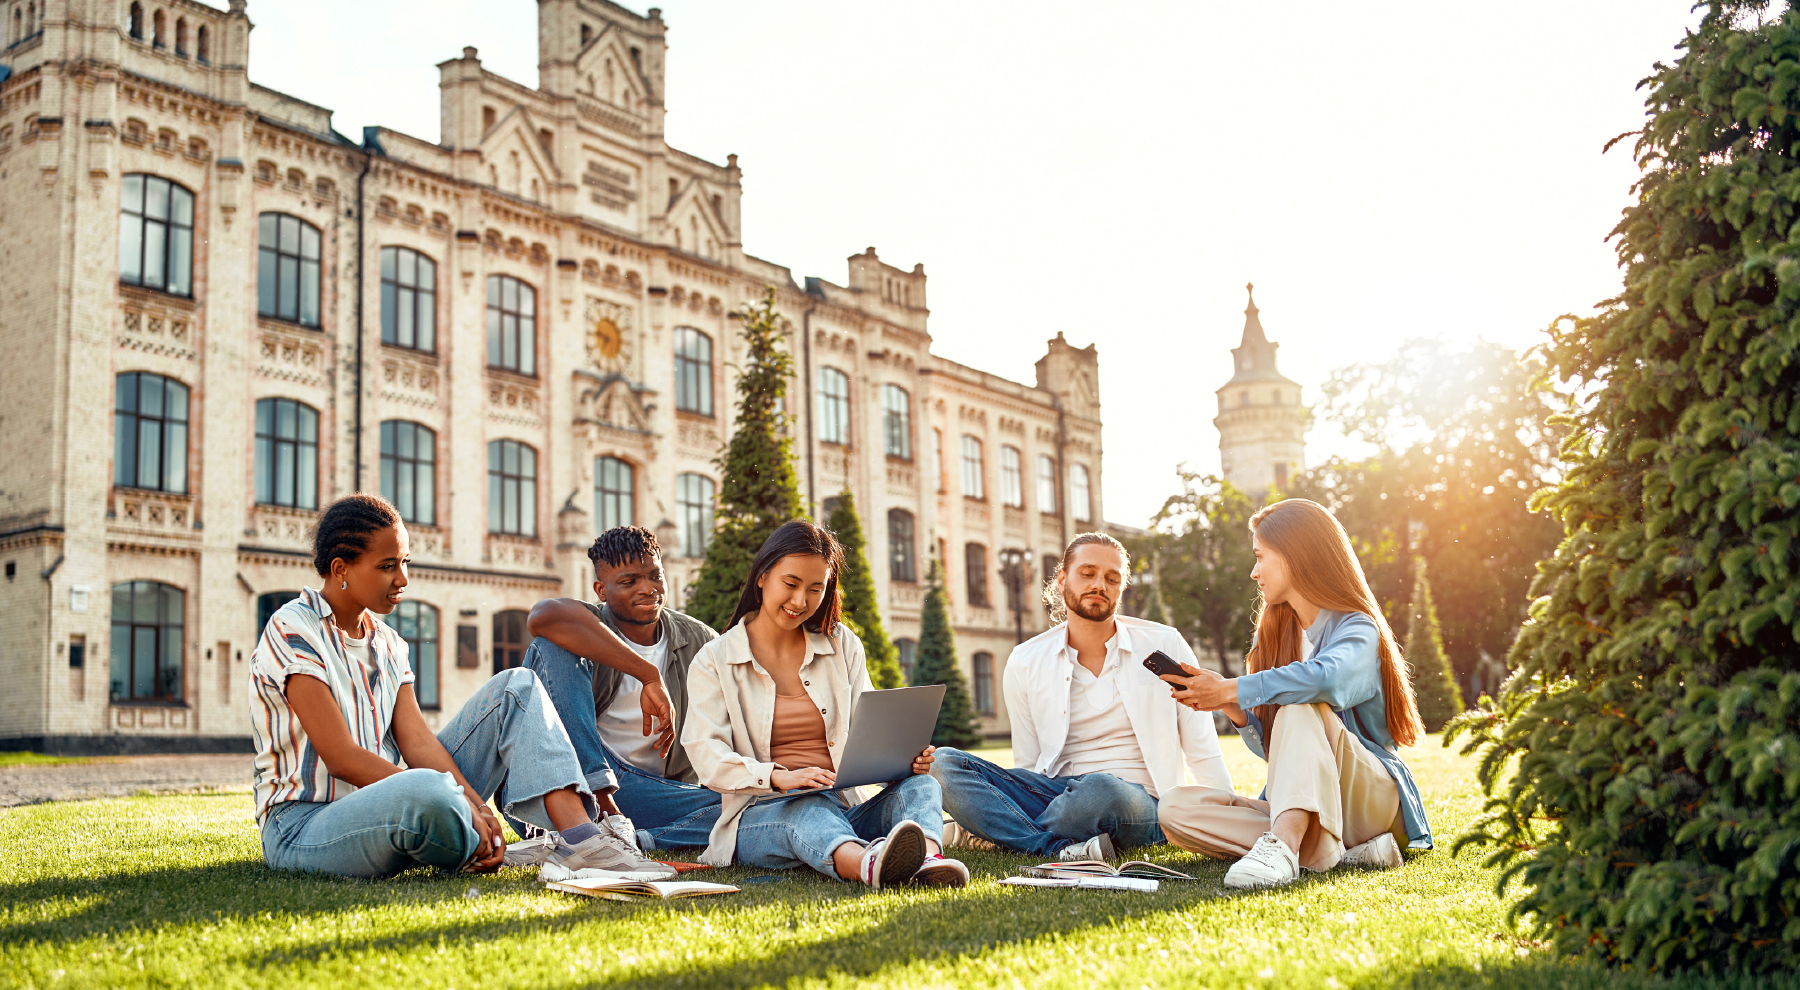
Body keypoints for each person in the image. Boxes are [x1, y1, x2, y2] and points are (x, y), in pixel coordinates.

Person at [250, 494, 669, 878]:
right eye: (387, 566)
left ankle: (582, 842)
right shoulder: (294, 628)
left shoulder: (388, 643)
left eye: (405, 562)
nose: (403, 579)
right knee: (425, 788)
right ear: (341, 568)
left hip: (397, 803)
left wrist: (477, 804)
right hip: (305, 825)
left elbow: (418, 742)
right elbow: (341, 758)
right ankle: (472, 838)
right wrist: (459, 801)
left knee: (517, 687)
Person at [1155, 498, 1433, 889]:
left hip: (1371, 801)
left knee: (1299, 706)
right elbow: (1284, 753)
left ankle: (1285, 847)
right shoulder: (1275, 637)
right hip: (1315, 806)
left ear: (1295, 555)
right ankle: (1338, 852)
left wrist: (1231, 687)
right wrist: (1233, 706)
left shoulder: (1358, 628)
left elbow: (1326, 680)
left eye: (1260, 556)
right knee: (1175, 809)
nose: (1254, 572)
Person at [681, 520, 969, 889]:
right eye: (790, 584)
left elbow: (869, 729)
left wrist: (903, 761)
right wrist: (777, 777)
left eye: (815, 589)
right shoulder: (714, 660)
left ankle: (926, 860)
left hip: (845, 808)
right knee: (806, 808)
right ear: (762, 577)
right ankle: (868, 866)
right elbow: (706, 755)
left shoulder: (841, 644)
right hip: (763, 816)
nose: (800, 601)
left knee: (922, 787)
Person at [928, 532, 1233, 860]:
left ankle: (999, 831)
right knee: (941, 764)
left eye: (1112, 578)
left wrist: (1229, 822)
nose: (1099, 584)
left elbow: (1202, 748)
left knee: (1098, 790)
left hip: (1138, 802)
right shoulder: (1025, 660)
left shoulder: (1165, 643)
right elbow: (1028, 765)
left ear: (1121, 588)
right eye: (1087, 573)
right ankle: (1055, 847)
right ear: (1062, 579)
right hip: (1056, 795)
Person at [517, 526, 722, 852]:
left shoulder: (701, 642)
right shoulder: (584, 627)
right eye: (629, 582)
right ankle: (602, 809)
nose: (648, 589)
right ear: (601, 590)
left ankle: (633, 840)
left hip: (651, 792)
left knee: (740, 808)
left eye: (655, 576)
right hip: (569, 787)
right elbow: (542, 616)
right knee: (551, 645)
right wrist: (648, 675)